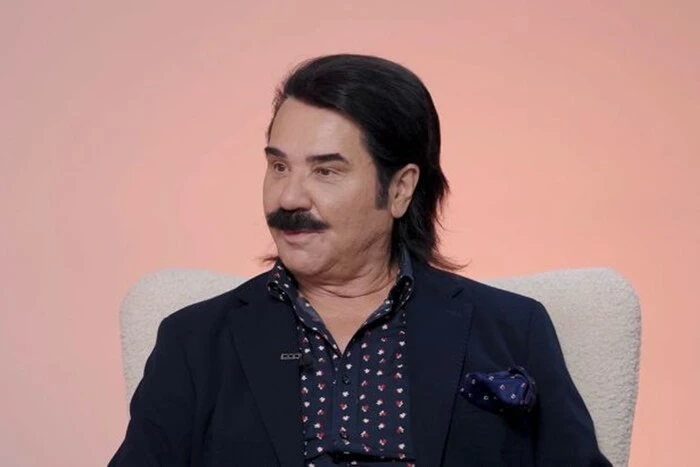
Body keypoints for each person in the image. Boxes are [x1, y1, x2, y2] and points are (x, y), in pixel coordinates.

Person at [109, 54, 610, 466]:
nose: (288, 197)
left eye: (325, 171)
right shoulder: (194, 342)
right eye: (278, 166)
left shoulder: (514, 328)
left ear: (400, 189)